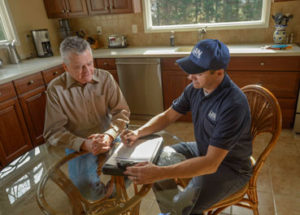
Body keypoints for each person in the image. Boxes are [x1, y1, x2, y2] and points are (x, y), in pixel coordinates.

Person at [121, 39, 252, 215]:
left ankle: (180, 209)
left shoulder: (233, 105)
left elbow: (211, 164)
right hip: (204, 149)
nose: (190, 77)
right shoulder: (195, 88)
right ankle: (176, 211)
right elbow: (168, 115)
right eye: (191, 70)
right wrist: (138, 132)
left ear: (219, 73)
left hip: (230, 167)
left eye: (197, 73)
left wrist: (159, 174)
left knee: (182, 203)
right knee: (158, 159)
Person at [43, 36, 130, 200]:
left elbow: (122, 111)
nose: (88, 71)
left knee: (133, 165)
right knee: (84, 184)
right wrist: (84, 144)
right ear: (65, 67)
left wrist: (109, 134)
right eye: (79, 67)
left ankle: (111, 196)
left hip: (109, 136)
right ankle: (103, 200)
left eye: (90, 63)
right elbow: (52, 132)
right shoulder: (55, 89)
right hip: (78, 143)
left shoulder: (105, 78)